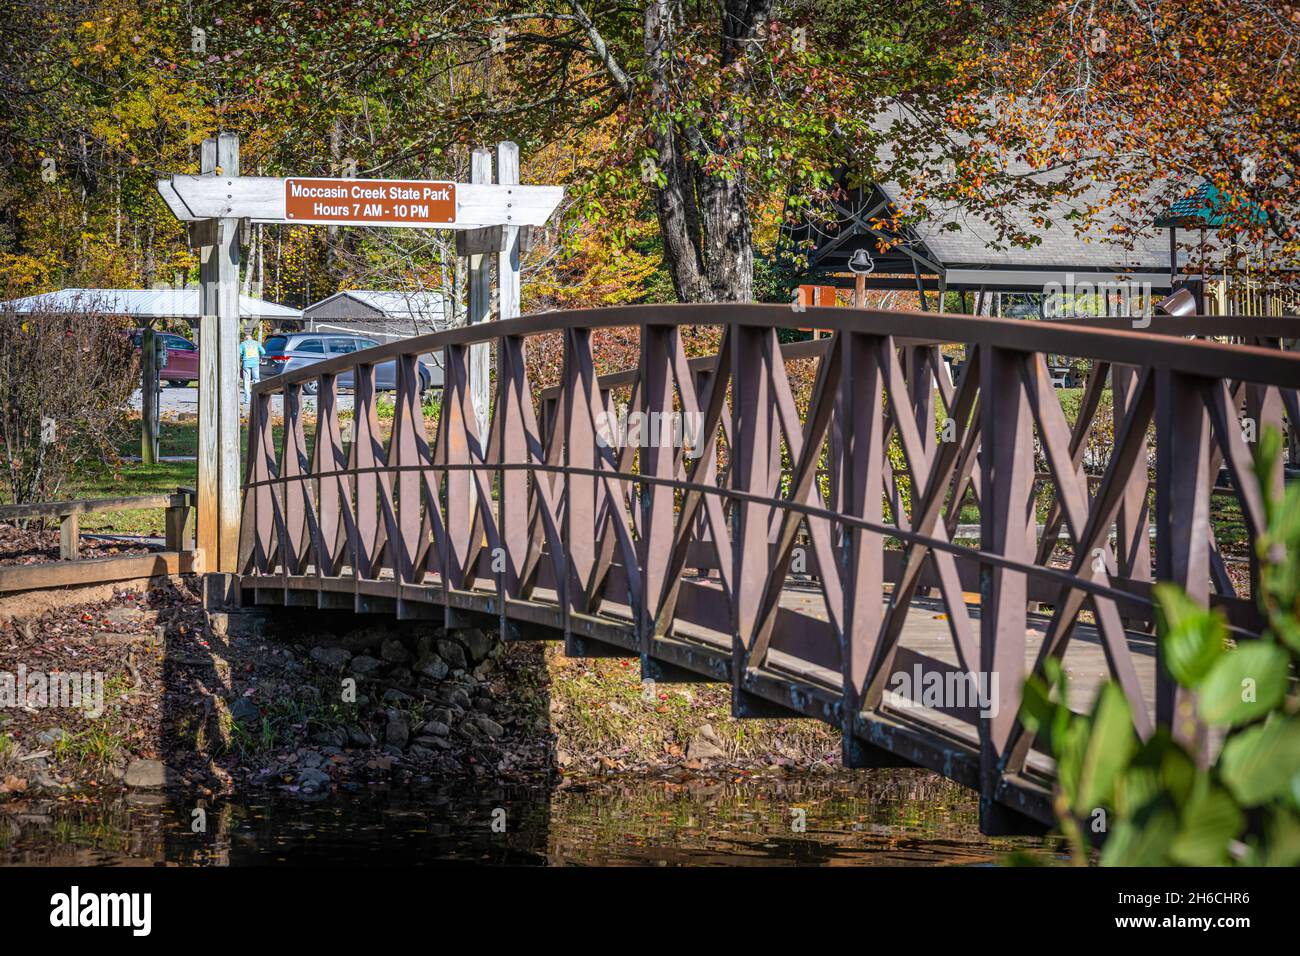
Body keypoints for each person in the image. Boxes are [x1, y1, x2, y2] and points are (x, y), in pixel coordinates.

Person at [239, 329, 265, 403]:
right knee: (256, 380)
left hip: (246, 364)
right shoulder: (256, 343)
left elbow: (239, 354)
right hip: (255, 363)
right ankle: (257, 398)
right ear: (251, 338)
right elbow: (263, 352)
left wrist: (242, 357)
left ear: (245, 338)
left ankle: (247, 399)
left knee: (246, 381)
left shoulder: (243, 344)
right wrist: (260, 357)